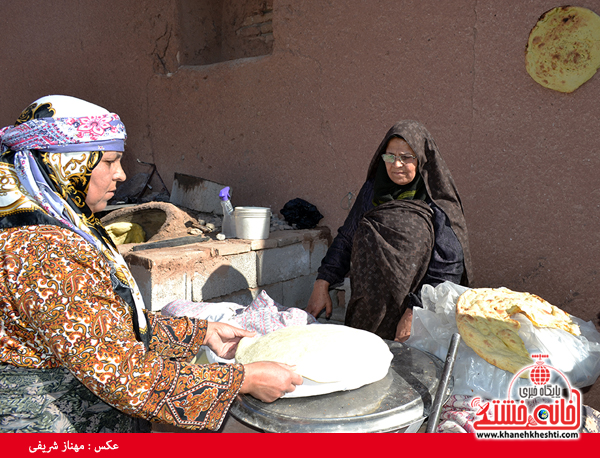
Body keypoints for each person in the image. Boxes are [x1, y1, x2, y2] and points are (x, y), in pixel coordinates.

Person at [0, 95, 302, 433]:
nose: (121, 174)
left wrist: (201, 333)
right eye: (110, 161)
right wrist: (242, 380)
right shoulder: (43, 249)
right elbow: (119, 371)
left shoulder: (54, 227)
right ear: (66, 163)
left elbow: (102, 326)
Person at [306, 120, 472, 341]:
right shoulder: (372, 192)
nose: (396, 164)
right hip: (366, 313)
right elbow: (347, 238)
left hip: (415, 322)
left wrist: (416, 312)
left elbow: (448, 266)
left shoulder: (437, 201)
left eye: (406, 157)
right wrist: (322, 282)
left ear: (422, 159)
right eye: (390, 156)